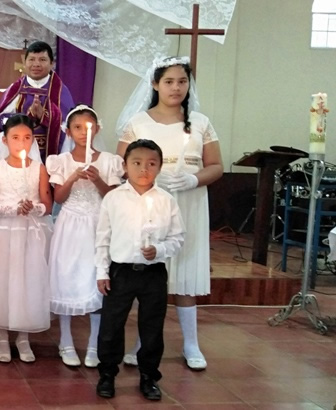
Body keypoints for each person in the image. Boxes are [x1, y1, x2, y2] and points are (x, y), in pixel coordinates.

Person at [116, 57, 223, 371]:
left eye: (182, 82)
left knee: (186, 271)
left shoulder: (200, 122)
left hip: (189, 203)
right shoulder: (138, 122)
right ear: (155, 84)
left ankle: (191, 343)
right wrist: (148, 179)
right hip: (152, 204)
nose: (176, 88)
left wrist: (193, 179)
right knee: (150, 276)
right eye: (169, 82)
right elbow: (122, 166)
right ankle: (142, 341)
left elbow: (216, 166)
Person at [94, 139, 184, 401]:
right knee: (111, 326)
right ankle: (107, 374)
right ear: (125, 166)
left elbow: (178, 238)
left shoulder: (166, 201)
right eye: (137, 163)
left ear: (160, 167)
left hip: (153, 273)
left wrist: (160, 250)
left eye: (151, 163)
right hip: (120, 272)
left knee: (152, 327)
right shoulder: (113, 198)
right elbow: (103, 238)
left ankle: (148, 376)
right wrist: (102, 272)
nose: (144, 169)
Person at [46, 104, 123, 368]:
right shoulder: (61, 161)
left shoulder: (109, 161)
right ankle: (66, 340)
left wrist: (98, 179)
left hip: (98, 225)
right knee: (66, 278)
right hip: (70, 225)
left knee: (97, 279)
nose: (82, 132)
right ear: (68, 132)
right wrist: (71, 178)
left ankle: (94, 343)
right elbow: (58, 198)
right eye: (77, 127)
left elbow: (113, 197)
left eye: (87, 127)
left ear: (97, 129)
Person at [0, 114, 52, 363]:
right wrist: (12, 209)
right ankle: (1, 336)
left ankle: (23, 337)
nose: (22, 143)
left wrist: (34, 208)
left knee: (26, 282)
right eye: (16, 138)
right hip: (2, 233)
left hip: (29, 234)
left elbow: (47, 204)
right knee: (3, 282)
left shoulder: (39, 169)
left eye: (27, 138)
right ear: (5, 140)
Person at [0, 40, 74, 161]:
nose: (36, 64)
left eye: (42, 60)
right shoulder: (15, 89)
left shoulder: (60, 91)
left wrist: (44, 116)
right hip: (18, 149)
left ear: (52, 64)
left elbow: (69, 125)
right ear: (25, 62)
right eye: (31, 59)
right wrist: (25, 117)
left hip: (50, 154)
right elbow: (1, 120)